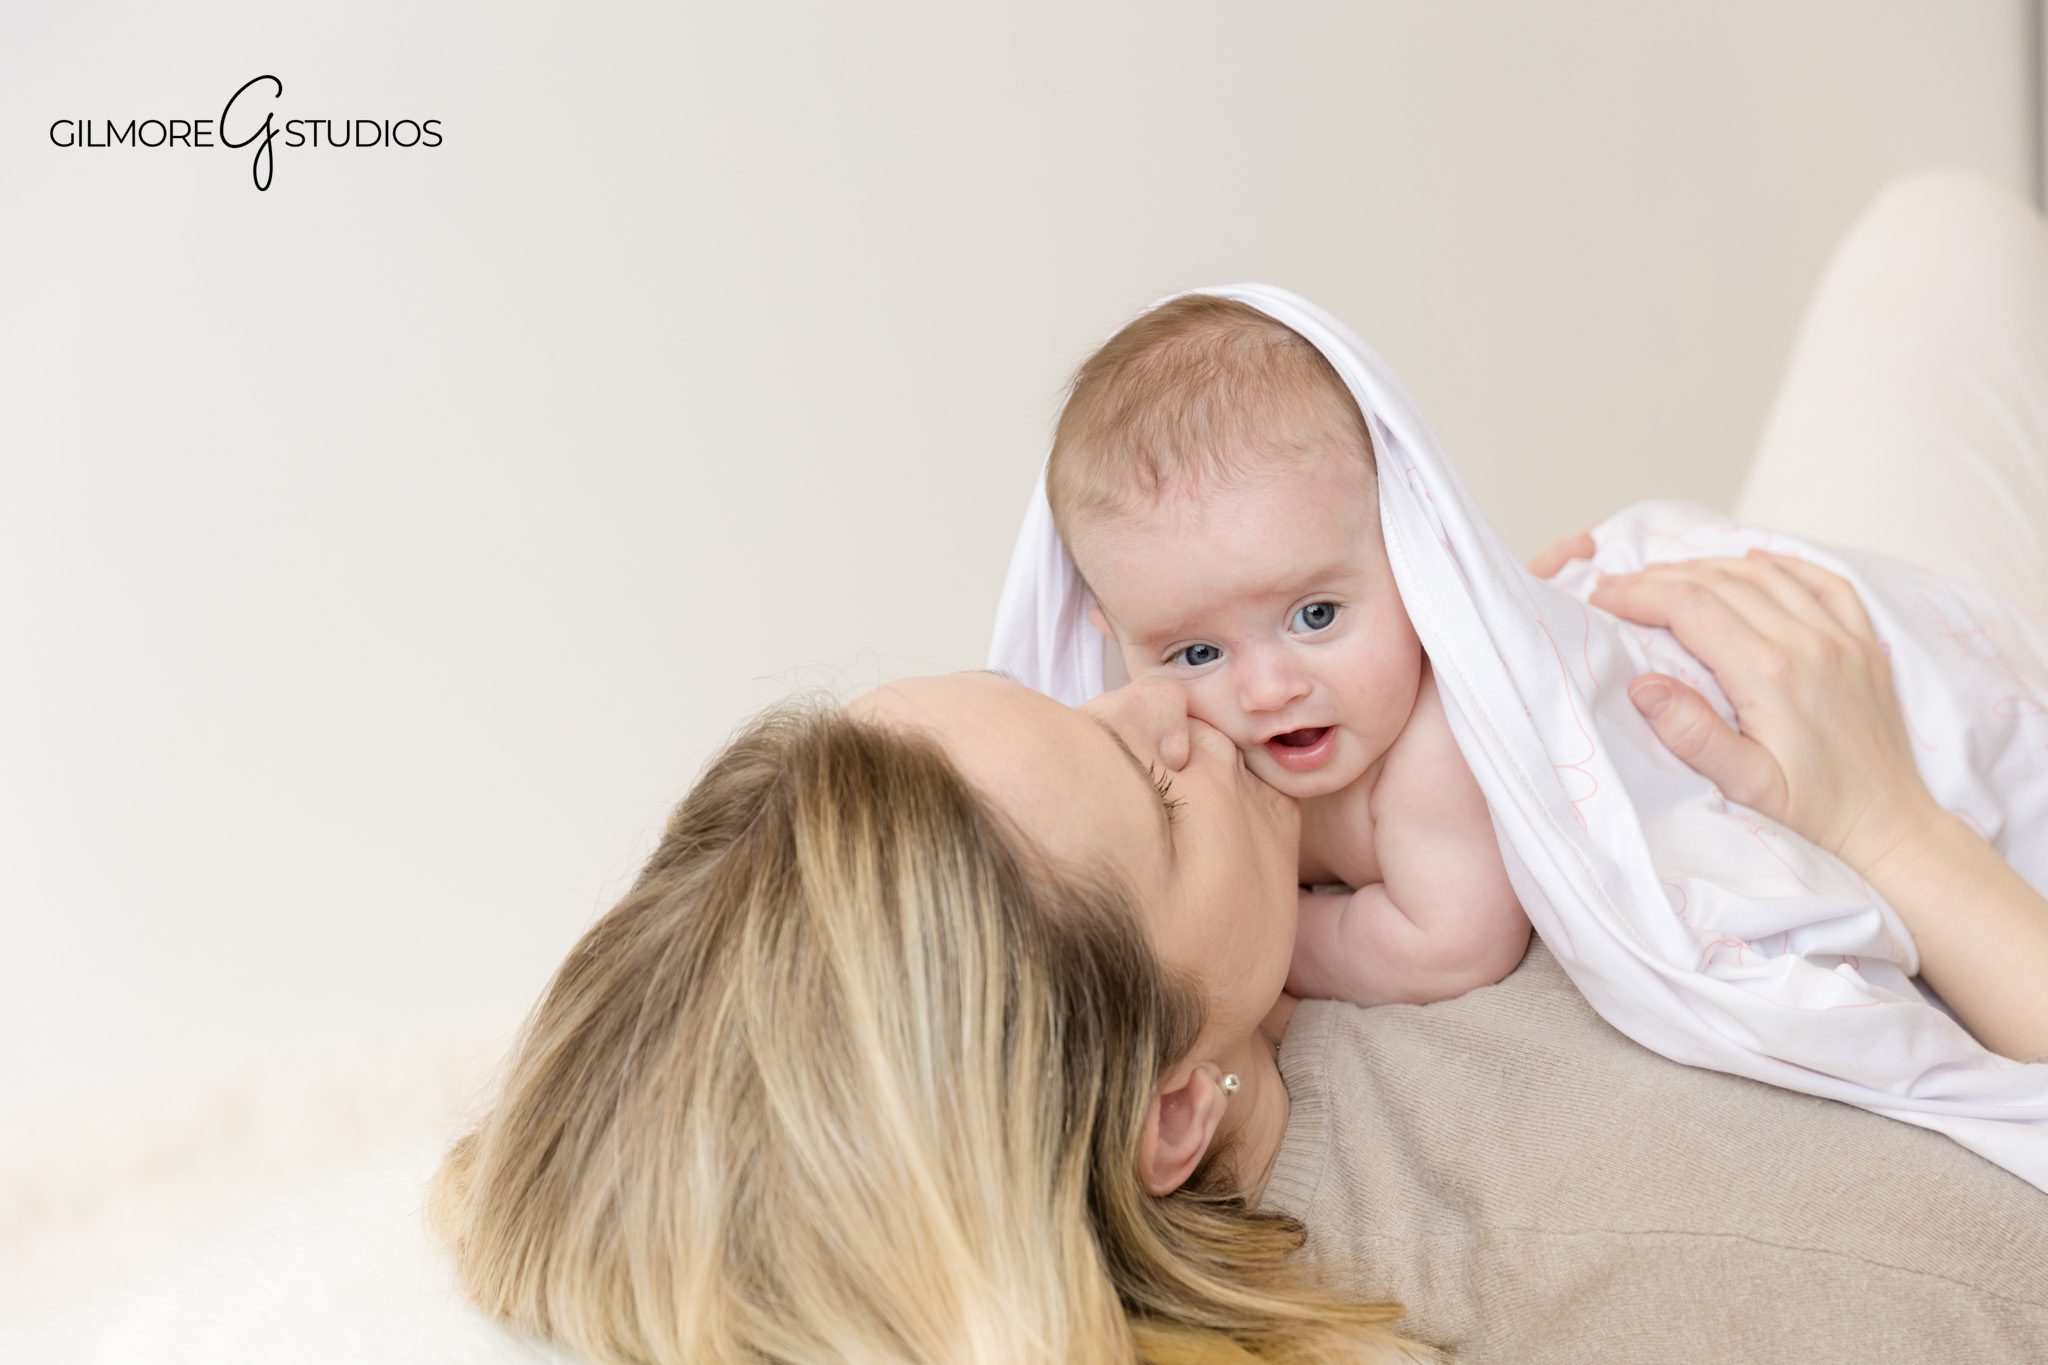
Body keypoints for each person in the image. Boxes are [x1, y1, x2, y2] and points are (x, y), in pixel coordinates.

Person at [432, 172, 2048, 1362]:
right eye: (1139, 782)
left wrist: (1512, 646)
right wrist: (1892, 831)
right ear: (1171, 1114)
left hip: (1729, 669)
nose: (1180, 713)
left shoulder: (1157, 973)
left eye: (1073, 694)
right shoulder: (1701, 1243)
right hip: (1928, 794)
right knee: (1945, 243)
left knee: (1937, 242)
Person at [1046, 296, 1530, 1010]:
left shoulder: (1437, 748)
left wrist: (1259, 936)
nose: (1268, 691)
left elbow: (1453, 946)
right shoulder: (1189, 767)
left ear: (1411, 564)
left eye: (1315, 614)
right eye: (1197, 652)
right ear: (1118, 643)